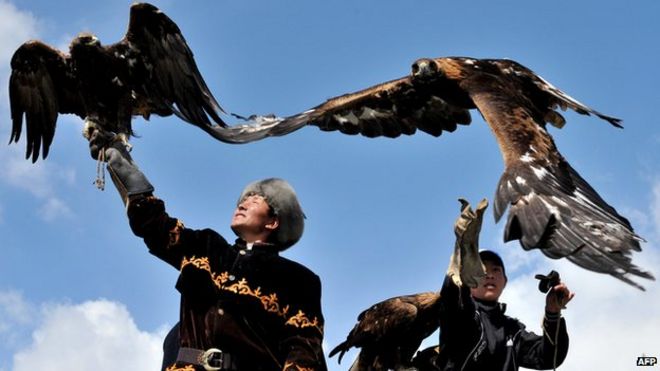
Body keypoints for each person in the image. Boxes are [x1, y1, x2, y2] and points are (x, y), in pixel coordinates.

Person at [88, 130, 327, 371]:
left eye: (256, 199)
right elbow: (154, 225)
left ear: (273, 222)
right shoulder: (207, 247)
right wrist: (120, 161)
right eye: (243, 199)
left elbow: (303, 347)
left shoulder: (299, 280)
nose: (243, 203)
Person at [435, 248, 574, 371]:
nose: (489, 275)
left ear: (505, 281)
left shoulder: (513, 330)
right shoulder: (460, 313)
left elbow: (549, 358)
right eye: (481, 270)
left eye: (495, 269)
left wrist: (552, 313)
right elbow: (451, 297)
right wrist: (463, 250)